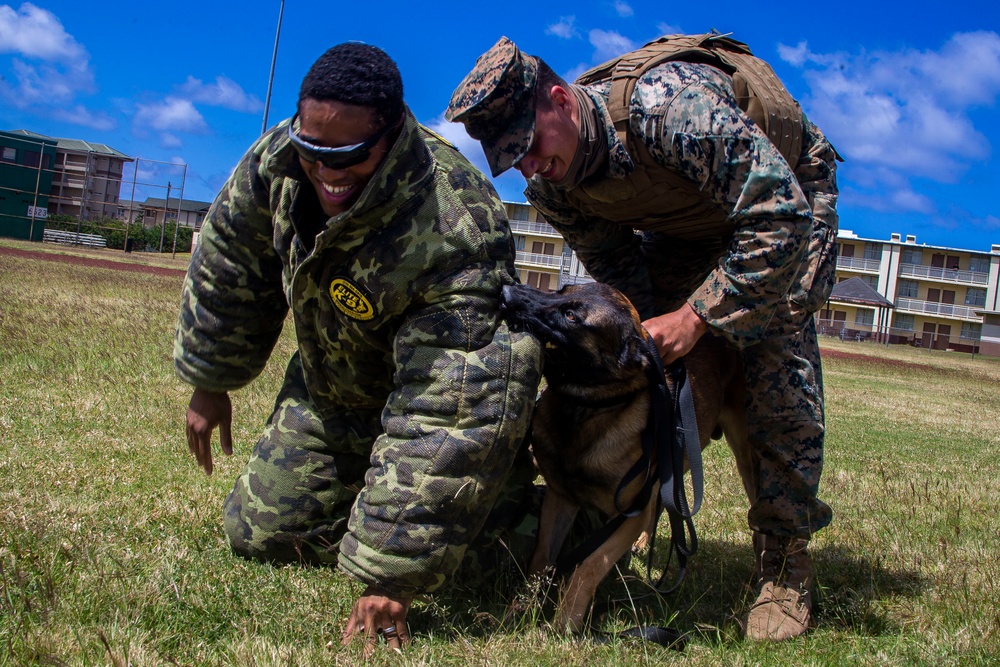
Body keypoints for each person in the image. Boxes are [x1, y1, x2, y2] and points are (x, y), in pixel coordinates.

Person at [446, 33, 841, 641]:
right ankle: (633, 498)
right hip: (687, 228)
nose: (528, 166)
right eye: (510, 161)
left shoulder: (671, 110)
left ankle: (784, 562)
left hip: (783, 205)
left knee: (771, 356)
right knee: (651, 356)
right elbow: (621, 279)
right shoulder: (552, 183)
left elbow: (778, 217)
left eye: (529, 145)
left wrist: (697, 318)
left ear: (561, 99)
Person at [174, 43, 541, 656]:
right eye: (313, 151)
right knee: (257, 533)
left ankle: (526, 511)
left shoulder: (454, 220)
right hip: (332, 393)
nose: (326, 172)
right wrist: (212, 379)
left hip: (426, 403)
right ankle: (370, 495)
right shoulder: (279, 164)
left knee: (478, 569)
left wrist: (391, 571)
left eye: (348, 156)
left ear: (394, 132)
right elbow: (232, 259)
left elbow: (448, 406)